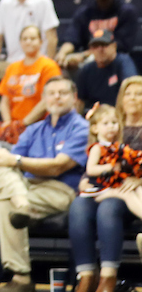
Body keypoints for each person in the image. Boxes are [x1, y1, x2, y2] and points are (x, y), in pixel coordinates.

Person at [0, 77, 87, 292]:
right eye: (51, 93)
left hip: (61, 190)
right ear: (44, 99)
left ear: (74, 98)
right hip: (27, 186)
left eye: (62, 93)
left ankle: (21, 278)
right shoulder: (34, 129)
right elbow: (9, 163)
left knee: (3, 202)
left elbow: (58, 166)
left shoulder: (82, 128)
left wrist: (14, 161)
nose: (56, 97)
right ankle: (21, 202)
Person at [70, 76, 142, 292]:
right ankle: (86, 275)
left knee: (108, 209)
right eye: (128, 93)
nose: (133, 98)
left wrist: (137, 178)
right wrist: (85, 179)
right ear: (121, 98)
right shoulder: (108, 121)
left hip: (131, 190)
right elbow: (95, 158)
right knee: (78, 207)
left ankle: (108, 277)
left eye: (138, 94)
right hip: (105, 185)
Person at [59, 0, 140, 72]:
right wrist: (63, 53)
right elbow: (72, 37)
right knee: (65, 65)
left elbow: (122, 46)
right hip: (89, 63)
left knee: (124, 60)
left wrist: (84, 55)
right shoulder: (85, 12)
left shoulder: (126, 11)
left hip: (116, 61)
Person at [0, 26, 62, 144]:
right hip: (13, 126)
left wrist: (24, 123)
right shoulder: (12, 67)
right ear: (20, 42)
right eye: (25, 39)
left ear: (41, 42)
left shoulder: (49, 66)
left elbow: (47, 100)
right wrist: (8, 123)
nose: (28, 42)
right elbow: (5, 99)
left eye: (32, 38)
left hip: (39, 125)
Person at [77, 29, 138, 109]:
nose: (100, 49)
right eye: (95, 46)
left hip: (118, 112)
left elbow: (131, 85)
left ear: (114, 46)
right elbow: (80, 101)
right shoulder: (86, 70)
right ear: (90, 50)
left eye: (104, 45)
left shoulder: (123, 62)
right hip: (95, 114)